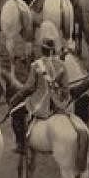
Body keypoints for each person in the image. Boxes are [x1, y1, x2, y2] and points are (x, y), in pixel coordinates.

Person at [10, 22, 72, 157]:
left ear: (42, 49)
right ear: (54, 49)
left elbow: (29, 88)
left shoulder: (36, 65)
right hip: (57, 105)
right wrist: (61, 102)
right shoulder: (62, 65)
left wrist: (16, 97)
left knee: (15, 112)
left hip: (40, 105)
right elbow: (66, 89)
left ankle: (20, 144)